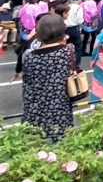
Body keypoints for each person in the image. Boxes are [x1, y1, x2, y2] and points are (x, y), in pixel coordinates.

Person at [21, 13, 75, 142]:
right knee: (60, 146)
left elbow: (27, 80)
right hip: (59, 108)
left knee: (35, 148)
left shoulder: (28, 56)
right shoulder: (68, 51)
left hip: (34, 107)